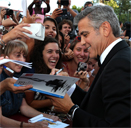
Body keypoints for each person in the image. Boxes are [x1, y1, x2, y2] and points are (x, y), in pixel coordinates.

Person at [47, 5, 130, 127]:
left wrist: (71, 110)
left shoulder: (120, 63)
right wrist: (68, 86)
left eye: (85, 34)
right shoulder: (117, 57)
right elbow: (97, 104)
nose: (82, 42)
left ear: (105, 29)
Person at [0, 39, 60, 127]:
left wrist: (48, 117)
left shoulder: (19, 76)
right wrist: (30, 126)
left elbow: (24, 107)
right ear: (4, 57)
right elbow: (0, 120)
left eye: (24, 56)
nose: (22, 60)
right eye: (18, 55)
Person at [25, 37, 62, 111]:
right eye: (49, 51)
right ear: (41, 54)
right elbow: (30, 103)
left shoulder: (58, 72)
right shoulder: (30, 72)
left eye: (57, 52)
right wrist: (58, 99)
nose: (55, 55)